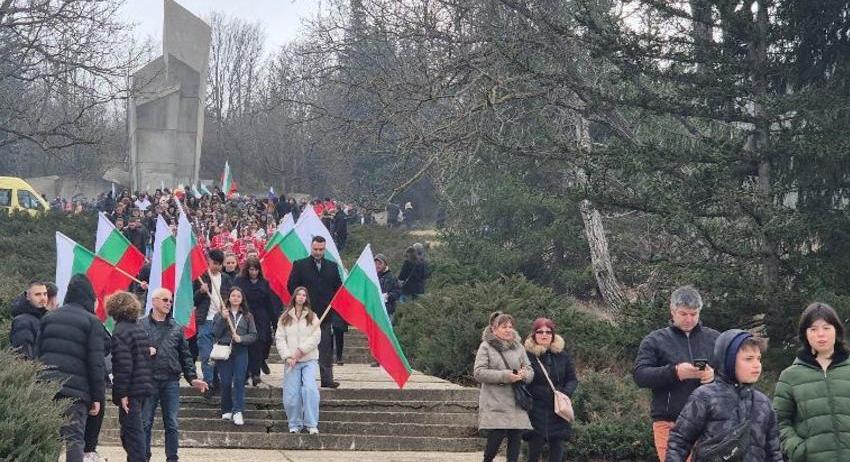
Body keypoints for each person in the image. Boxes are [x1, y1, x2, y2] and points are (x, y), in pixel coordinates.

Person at [633, 285, 720, 462]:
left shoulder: (715, 338)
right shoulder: (655, 340)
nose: (689, 319)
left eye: (694, 314)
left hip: (708, 424)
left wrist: (714, 377)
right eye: (683, 314)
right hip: (669, 423)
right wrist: (675, 372)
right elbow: (640, 375)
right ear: (672, 311)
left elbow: (732, 375)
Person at [666, 330, 782, 461]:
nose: (757, 365)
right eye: (748, 359)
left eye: (759, 358)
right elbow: (679, 442)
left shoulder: (763, 403)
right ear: (729, 361)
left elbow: (774, 452)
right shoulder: (704, 397)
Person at [37, 274, 106, 462]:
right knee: (74, 439)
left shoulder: (49, 318)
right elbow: (96, 363)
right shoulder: (92, 322)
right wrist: (97, 397)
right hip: (76, 392)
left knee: (49, 437)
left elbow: (37, 354)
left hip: (46, 388)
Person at [773, 302, 850, 461]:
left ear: (837, 330)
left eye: (827, 328)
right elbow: (778, 421)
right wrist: (798, 449)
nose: (820, 334)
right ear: (805, 334)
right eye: (813, 329)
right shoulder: (790, 376)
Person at [140, 288, 209, 462]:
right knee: (145, 422)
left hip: (170, 381)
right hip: (148, 380)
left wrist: (192, 378)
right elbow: (132, 351)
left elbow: (185, 356)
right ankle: (143, 456)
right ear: (154, 301)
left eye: (170, 301)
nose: (168, 303)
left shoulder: (177, 328)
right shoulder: (140, 325)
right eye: (165, 300)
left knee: (171, 423)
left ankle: (172, 458)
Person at [474, 312, 534, 462]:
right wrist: (505, 376)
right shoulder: (486, 346)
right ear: (494, 329)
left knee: (516, 436)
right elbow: (479, 373)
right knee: (497, 434)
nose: (508, 329)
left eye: (510, 326)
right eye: (504, 326)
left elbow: (530, 370)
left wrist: (524, 374)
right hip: (496, 399)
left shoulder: (519, 347)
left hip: (516, 399)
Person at [287, 236, 343, 389]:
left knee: (325, 347)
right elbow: (291, 285)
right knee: (302, 346)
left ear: (325, 249)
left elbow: (338, 289)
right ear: (311, 248)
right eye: (315, 249)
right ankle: (299, 377)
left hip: (325, 315)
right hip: (305, 314)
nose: (318, 252)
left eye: (321, 249)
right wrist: (300, 302)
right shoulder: (300, 265)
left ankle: (327, 378)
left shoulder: (332, 266)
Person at [523, 317, 578, 462]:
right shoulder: (527, 356)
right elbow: (523, 381)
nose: (544, 335)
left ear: (553, 335)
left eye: (548, 332)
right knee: (534, 449)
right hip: (535, 408)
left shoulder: (563, 356)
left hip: (558, 408)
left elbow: (572, 379)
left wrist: (565, 393)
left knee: (558, 447)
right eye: (540, 331)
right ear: (534, 334)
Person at [107, 292, 153, 462]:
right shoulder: (138, 328)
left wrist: (121, 393)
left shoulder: (120, 331)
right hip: (142, 386)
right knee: (132, 432)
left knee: (132, 434)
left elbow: (123, 365)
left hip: (131, 389)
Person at [276, 286, 322, 434]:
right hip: (291, 362)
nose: (301, 297)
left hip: (308, 359)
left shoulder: (312, 317)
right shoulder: (284, 317)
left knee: (309, 389)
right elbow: (280, 338)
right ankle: (294, 423)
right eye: (299, 294)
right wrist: (288, 356)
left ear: (306, 298)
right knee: (291, 394)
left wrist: (300, 351)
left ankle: (311, 424)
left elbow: (316, 337)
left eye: (304, 295)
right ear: (294, 297)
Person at [212, 287, 257, 426]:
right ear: (229, 298)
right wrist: (222, 319)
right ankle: (226, 409)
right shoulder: (221, 314)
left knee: (239, 381)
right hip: (225, 350)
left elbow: (254, 335)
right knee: (225, 381)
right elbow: (215, 333)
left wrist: (242, 339)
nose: (236, 298)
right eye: (233, 295)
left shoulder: (247, 316)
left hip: (240, 351)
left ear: (242, 298)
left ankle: (238, 411)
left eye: (238, 296)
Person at [234, 257, 280, 385]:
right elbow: (235, 297)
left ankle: (256, 373)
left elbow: (269, 303)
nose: (253, 272)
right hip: (245, 315)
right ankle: (246, 373)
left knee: (260, 344)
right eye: (251, 270)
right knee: (247, 345)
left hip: (261, 317)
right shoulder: (240, 281)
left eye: (256, 270)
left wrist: (275, 322)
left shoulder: (264, 283)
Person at [194, 249, 233, 395]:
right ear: (208, 262)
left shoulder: (226, 279)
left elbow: (232, 297)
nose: (216, 266)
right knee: (206, 353)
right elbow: (193, 300)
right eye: (213, 263)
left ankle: (217, 379)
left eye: (219, 264)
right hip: (205, 321)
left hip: (221, 321)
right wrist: (201, 292)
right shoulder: (201, 278)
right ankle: (208, 383)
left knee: (219, 353)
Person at [9, 280, 49, 360]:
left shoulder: (42, 318)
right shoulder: (23, 321)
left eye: (45, 294)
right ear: (28, 296)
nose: (43, 298)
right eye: (37, 294)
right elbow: (22, 356)